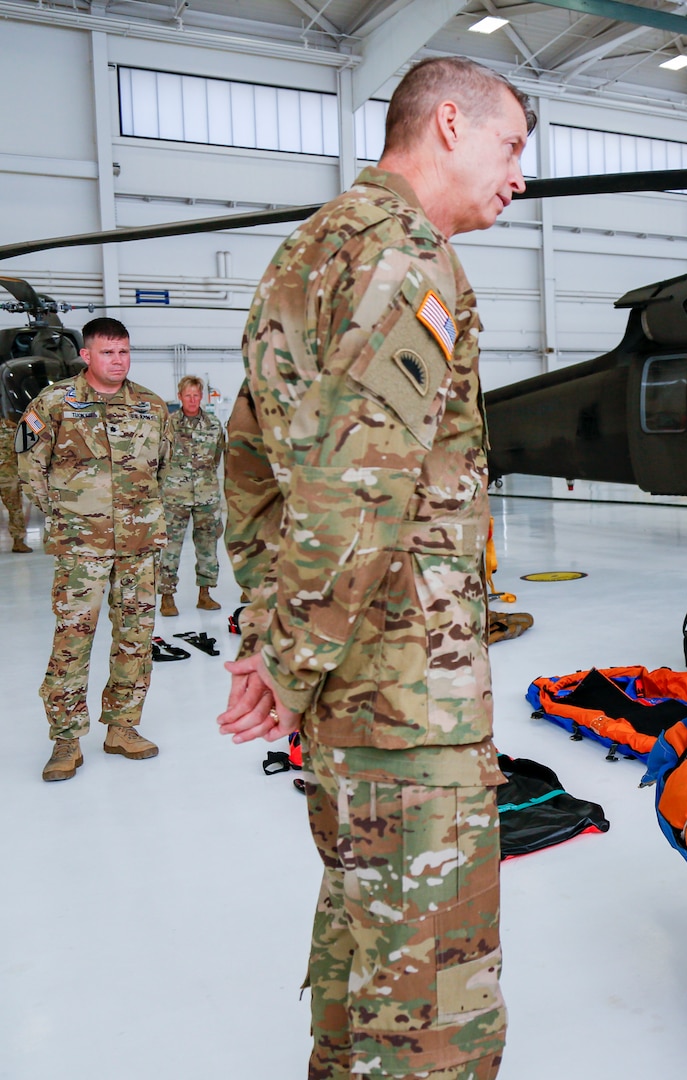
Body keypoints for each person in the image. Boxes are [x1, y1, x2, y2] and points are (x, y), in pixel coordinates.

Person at [216, 56, 530, 1080]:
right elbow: (361, 486)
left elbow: (251, 473)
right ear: (448, 123)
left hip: (350, 700)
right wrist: (285, 662)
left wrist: (272, 642)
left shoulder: (306, 253)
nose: (519, 175)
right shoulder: (409, 257)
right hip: (407, 702)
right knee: (435, 1009)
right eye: (511, 146)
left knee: (363, 932)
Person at [21, 317, 170, 781]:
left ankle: (122, 728)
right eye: (108, 352)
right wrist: (67, 516)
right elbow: (30, 469)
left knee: (136, 639)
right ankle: (66, 740)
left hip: (139, 546)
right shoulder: (53, 403)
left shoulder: (150, 405)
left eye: (124, 351)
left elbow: (160, 467)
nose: (118, 360)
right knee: (72, 641)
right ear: (86, 355)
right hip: (81, 547)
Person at [158, 374, 226, 616]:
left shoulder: (214, 425)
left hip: (206, 495)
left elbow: (217, 456)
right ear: (180, 397)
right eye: (188, 395)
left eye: (196, 395)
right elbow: (160, 458)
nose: (192, 400)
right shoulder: (168, 425)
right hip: (175, 496)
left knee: (208, 545)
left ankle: (205, 594)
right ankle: (167, 597)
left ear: (202, 397)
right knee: (170, 547)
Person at [0, 412, 33, 551]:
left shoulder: (12, 427)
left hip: (10, 477)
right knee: (15, 509)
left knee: (15, 509)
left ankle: (19, 542)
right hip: (9, 476)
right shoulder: (12, 427)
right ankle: (18, 542)